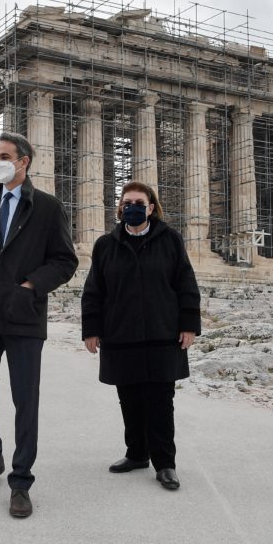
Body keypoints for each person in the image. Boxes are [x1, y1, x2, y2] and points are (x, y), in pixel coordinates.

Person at [0, 131, 78, 518]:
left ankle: (21, 482)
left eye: (4, 155)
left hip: (24, 315)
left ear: (23, 160)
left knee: (25, 400)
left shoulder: (47, 208)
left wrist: (30, 287)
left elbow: (64, 260)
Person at [80, 180, 201, 491]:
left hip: (162, 333)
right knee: (129, 399)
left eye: (138, 203)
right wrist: (91, 329)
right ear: (120, 207)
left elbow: (186, 283)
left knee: (161, 401)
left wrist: (189, 324)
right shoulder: (106, 244)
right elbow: (94, 291)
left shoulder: (170, 240)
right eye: (127, 202)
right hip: (121, 334)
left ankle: (166, 464)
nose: (132, 207)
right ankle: (136, 454)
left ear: (150, 208)